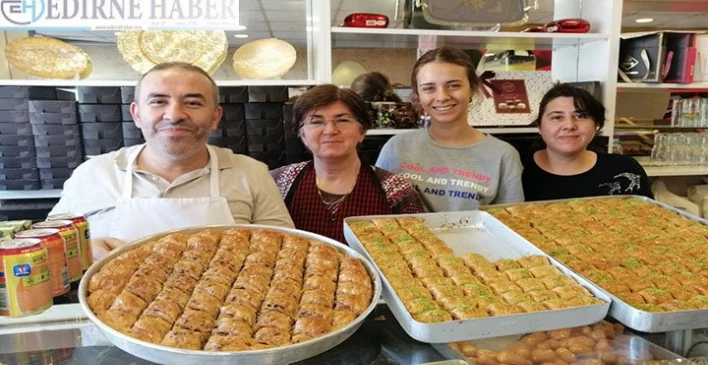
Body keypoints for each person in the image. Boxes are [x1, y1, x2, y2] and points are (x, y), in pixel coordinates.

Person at [51, 62, 293, 260]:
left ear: (215, 117)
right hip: (111, 314)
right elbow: (45, 252)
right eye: (158, 101)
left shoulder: (251, 173)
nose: (175, 115)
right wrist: (80, 253)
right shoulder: (92, 174)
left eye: (193, 103)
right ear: (136, 114)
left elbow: (287, 253)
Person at [376, 46, 524, 211]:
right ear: (418, 95)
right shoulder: (396, 148)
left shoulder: (503, 156)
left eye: (453, 86)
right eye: (429, 88)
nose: (442, 97)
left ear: (472, 90)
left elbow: (510, 223)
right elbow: (377, 211)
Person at [271, 84, 424, 244]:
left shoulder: (395, 189)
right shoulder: (278, 182)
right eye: (316, 122)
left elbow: (418, 248)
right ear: (301, 133)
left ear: (362, 131)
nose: (330, 130)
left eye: (342, 120)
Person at [522, 84, 653, 201]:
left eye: (581, 116)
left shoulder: (624, 168)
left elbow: (650, 220)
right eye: (557, 117)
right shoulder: (517, 169)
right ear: (539, 126)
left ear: (596, 125)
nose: (569, 125)